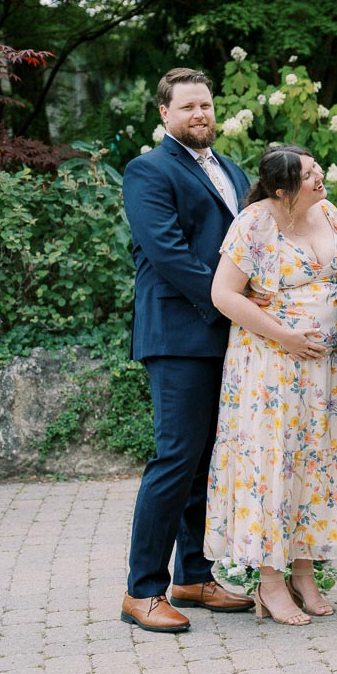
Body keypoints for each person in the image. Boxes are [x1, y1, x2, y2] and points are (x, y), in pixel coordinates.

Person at [120, 68, 255, 633]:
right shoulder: (148, 171)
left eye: (206, 105)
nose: (200, 114)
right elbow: (168, 253)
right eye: (188, 107)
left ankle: (194, 576)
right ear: (164, 114)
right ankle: (142, 591)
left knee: (207, 461)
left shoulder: (232, 169)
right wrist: (232, 303)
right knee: (175, 458)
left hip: (227, 335)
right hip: (179, 333)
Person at [203, 145, 337, 625]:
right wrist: (286, 336)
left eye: (317, 168)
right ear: (281, 189)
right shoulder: (254, 223)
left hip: (322, 372)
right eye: (309, 174)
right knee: (274, 464)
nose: (319, 177)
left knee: (313, 463)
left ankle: (305, 574)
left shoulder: (329, 214)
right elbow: (223, 294)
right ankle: (270, 582)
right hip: (268, 370)